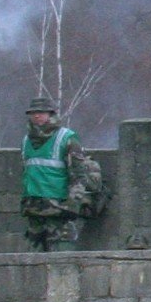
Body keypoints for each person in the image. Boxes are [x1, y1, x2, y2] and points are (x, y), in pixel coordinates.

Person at [20, 97, 103, 251]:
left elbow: (78, 175)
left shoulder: (66, 138)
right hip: (34, 208)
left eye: (41, 112)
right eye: (33, 113)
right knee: (32, 256)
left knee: (60, 253)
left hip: (59, 208)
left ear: (50, 114)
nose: (36, 116)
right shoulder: (26, 140)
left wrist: (72, 204)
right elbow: (26, 172)